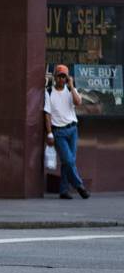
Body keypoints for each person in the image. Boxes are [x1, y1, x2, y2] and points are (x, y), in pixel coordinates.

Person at [44, 64, 89, 199]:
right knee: (69, 161)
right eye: (59, 76)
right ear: (55, 77)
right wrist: (49, 133)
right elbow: (47, 114)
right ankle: (79, 185)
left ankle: (63, 190)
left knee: (68, 162)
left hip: (72, 130)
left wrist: (72, 85)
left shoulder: (70, 91)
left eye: (64, 76)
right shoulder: (49, 92)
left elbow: (78, 102)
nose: (62, 79)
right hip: (59, 132)